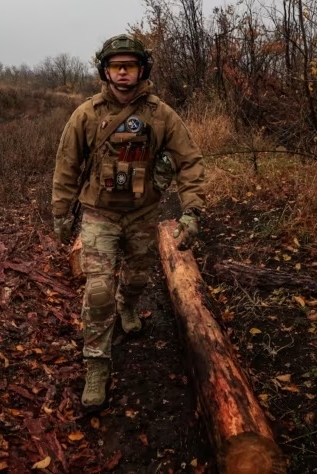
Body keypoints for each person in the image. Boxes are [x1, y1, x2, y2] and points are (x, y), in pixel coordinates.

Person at [51, 33, 206, 410]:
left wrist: (191, 211)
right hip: (99, 214)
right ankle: (97, 366)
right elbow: (66, 165)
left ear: (141, 70)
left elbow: (189, 162)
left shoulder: (160, 114)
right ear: (105, 71)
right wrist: (60, 212)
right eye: (116, 66)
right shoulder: (86, 114)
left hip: (142, 212)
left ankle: (129, 305)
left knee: (137, 276)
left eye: (130, 66)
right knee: (98, 291)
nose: (123, 73)